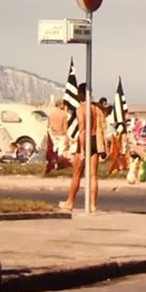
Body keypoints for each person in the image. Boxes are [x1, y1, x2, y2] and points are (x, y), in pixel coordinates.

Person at [59, 84, 107, 213]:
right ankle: (92, 205)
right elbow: (102, 128)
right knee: (93, 175)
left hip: (86, 141)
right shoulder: (97, 109)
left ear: (80, 94)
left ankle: (70, 202)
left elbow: (82, 130)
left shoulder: (81, 109)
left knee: (77, 174)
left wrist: (82, 150)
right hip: (96, 141)